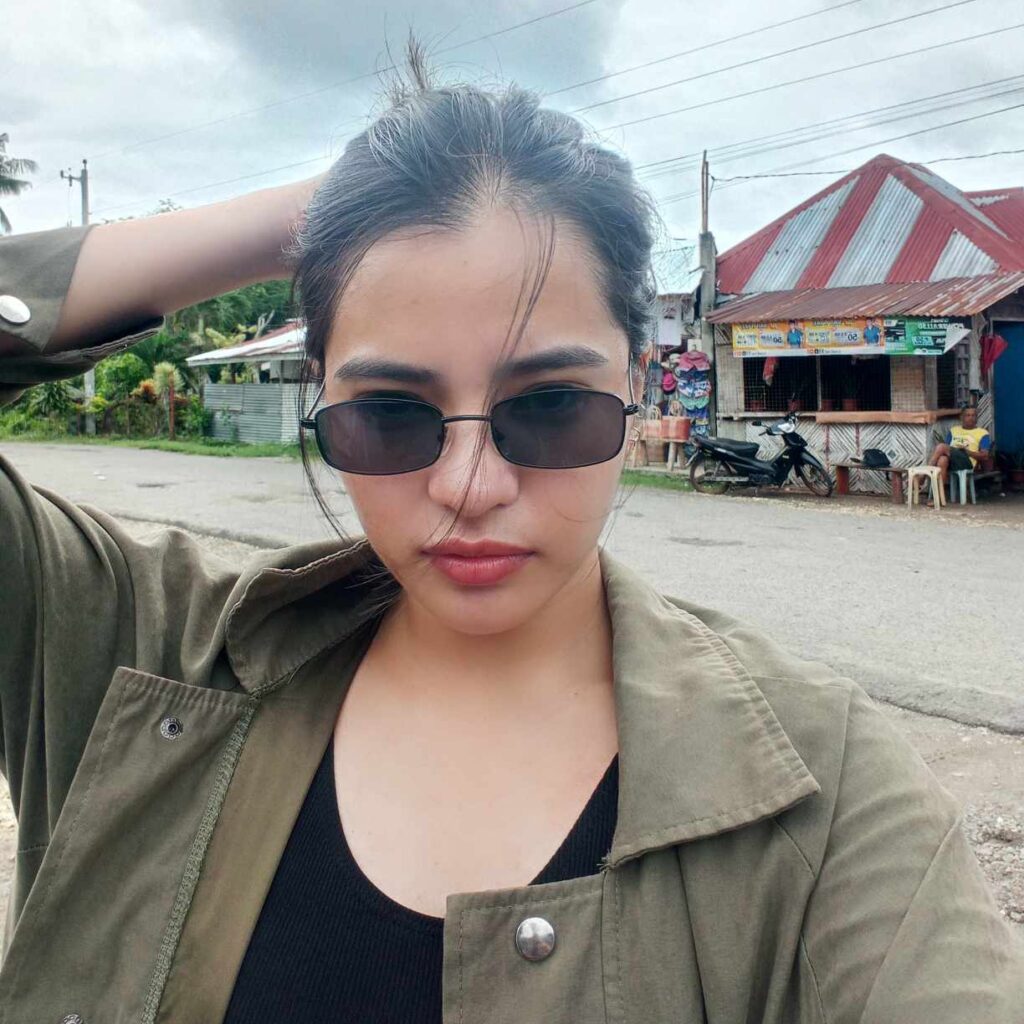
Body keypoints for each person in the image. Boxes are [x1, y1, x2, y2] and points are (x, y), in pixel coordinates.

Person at [0, 54, 1021, 1024]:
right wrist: (318, 213)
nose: (469, 486)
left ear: (634, 382)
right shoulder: (137, 651)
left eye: (551, 405)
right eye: (388, 413)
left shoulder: (825, 791)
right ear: (323, 396)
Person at [929, 404, 994, 487]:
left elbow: (984, 456)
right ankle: (940, 493)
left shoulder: (983, 433)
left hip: (966, 462)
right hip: (952, 461)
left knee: (941, 447)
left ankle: (924, 475)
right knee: (942, 460)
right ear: (962, 418)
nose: (971, 418)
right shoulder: (953, 430)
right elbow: (947, 449)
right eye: (968, 415)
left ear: (976, 418)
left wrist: (966, 452)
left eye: (973, 415)